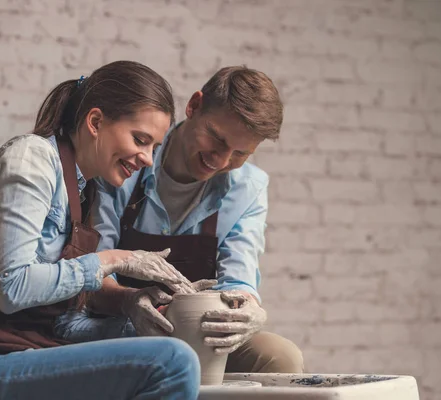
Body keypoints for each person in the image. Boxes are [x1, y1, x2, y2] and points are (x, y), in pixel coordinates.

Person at [0, 61, 203, 400]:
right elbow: (12, 290)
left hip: (11, 344)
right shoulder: (32, 161)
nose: (148, 158)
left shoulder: (83, 189)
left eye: (154, 147)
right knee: (171, 362)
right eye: (140, 139)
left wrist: (135, 307)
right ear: (95, 122)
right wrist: (114, 260)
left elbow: (55, 323)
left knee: (167, 336)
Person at [66, 66, 305, 373]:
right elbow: (93, 272)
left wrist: (250, 308)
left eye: (239, 154)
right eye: (216, 139)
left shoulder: (249, 188)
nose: (220, 160)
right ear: (194, 106)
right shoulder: (125, 160)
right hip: (121, 322)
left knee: (280, 357)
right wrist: (128, 302)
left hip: (200, 329)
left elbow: (238, 278)